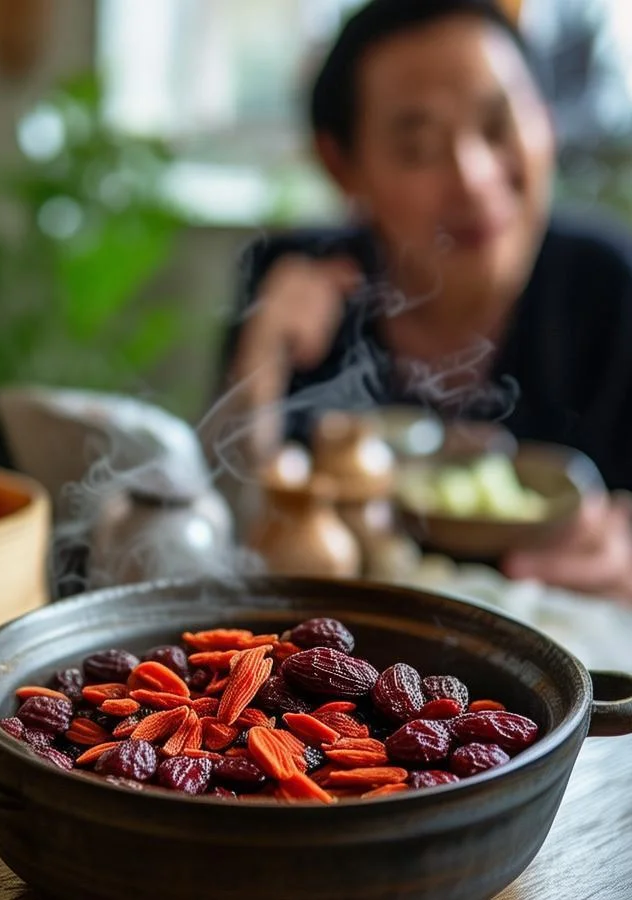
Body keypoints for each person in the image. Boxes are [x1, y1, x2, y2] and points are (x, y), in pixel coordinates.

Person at [218, 0, 632, 600]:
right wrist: (259, 371)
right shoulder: (294, 286)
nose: (474, 177)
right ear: (343, 167)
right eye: (418, 146)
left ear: (544, 119)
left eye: (497, 126)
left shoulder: (613, 289)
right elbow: (229, 531)